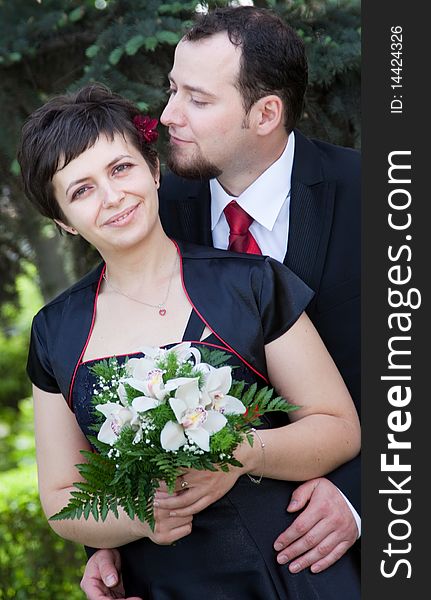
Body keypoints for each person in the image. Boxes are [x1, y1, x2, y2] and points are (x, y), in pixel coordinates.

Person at [19, 83, 360, 599]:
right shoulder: (54, 331)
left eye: (120, 168)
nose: (112, 197)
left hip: (290, 571)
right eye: (81, 190)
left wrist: (244, 452)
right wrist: (138, 516)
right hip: (163, 584)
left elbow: (337, 428)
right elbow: (63, 500)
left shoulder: (251, 283)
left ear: (154, 170)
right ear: (63, 221)